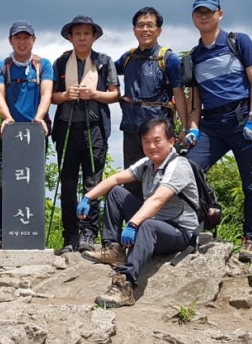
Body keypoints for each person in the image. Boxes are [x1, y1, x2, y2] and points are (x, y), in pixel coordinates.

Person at [80, 117, 198, 308]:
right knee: (117, 192)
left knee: (147, 224)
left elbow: (158, 199)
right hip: (154, 222)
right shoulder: (147, 164)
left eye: (157, 140)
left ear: (171, 141)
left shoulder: (178, 165)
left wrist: (133, 224)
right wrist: (88, 197)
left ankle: (125, 285)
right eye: (146, 141)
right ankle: (114, 249)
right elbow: (116, 178)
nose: (151, 146)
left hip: (179, 232)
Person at [184, 0, 252, 263]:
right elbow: (195, 100)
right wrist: (192, 128)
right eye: (199, 12)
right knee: (188, 170)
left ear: (220, 14)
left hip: (243, 118)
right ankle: (204, 217)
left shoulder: (238, 41)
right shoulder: (193, 57)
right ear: (193, 17)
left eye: (208, 12)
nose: (203, 16)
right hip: (211, 124)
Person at [51, 15, 120, 254]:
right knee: (68, 184)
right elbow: (51, 96)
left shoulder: (104, 61)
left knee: (93, 183)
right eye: (77, 33)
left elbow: (115, 94)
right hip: (66, 127)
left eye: (86, 33)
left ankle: (88, 234)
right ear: (70, 37)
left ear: (93, 36)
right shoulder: (60, 63)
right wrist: (66, 96)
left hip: (95, 128)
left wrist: (94, 94)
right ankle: (70, 235)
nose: (82, 38)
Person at [0, 20, 54, 250]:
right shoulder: (2, 66)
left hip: (36, 132)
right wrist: (6, 118)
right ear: (10, 40)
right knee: (6, 183)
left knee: (33, 182)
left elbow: (47, 93)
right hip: (11, 133)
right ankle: (0, 235)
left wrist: (40, 118)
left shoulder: (43, 65)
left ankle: (31, 234)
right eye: (18, 37)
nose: (22, 41)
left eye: (26, 37)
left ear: (33, 40)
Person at [115, 7, 189, 202]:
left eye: (150, 25)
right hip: (132, 129)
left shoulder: (168, 58)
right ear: (134, 30)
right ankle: (133, 226)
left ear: (159, 30)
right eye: (140, 25)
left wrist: (186, 127)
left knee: (161, 179)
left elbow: (179, 95)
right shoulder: (128, 57)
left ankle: (158, 228)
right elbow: (104, 71)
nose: (145, 30)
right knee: (132, 180)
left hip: (159, 132)